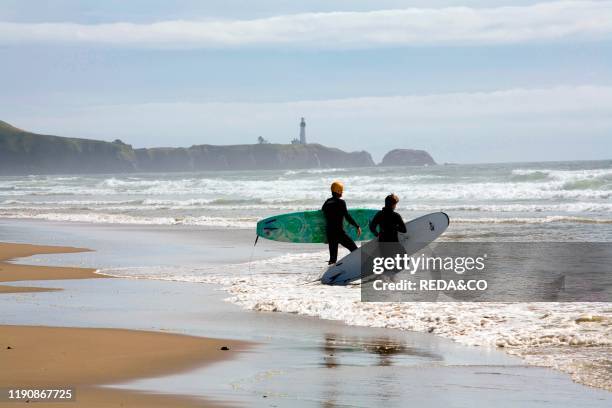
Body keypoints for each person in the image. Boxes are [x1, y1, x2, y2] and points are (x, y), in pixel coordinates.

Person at [322, 181, 362, 265]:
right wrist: (357, 226)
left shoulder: (327, 202)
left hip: (330, 233)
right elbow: (347, 216)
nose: (342, 193)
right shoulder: (341, 202)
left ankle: (329, 276)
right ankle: (357, 268)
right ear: (339, 191)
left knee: (333, 259)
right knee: (355, 251)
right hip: (339, 233)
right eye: (342, 191)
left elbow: (323, 213)